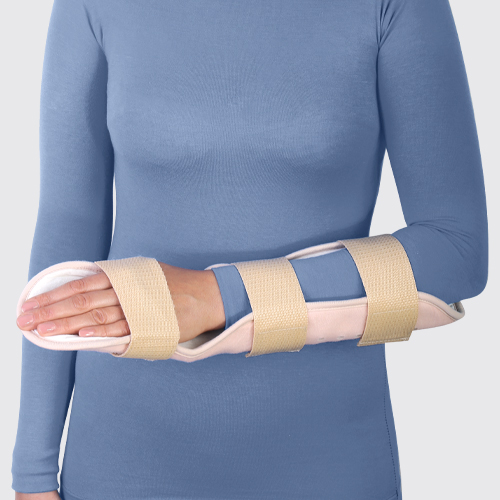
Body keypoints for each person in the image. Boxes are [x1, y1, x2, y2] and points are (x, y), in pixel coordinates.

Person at [12, 0, 488, 499]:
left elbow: (457, 249)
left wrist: (215, 297)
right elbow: (69, 228)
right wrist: (33, 470)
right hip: (123, 456)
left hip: (327, 458)